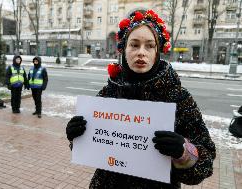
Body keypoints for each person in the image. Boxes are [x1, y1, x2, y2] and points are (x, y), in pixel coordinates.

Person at [66, 9, 216, 188]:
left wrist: (183, 152)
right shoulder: (109, 93)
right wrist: (76, 137)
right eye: (134, 45)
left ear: (158, 51)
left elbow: (206, 161)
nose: (141, 53)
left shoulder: (178, 98)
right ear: (123, 49)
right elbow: (92, 147)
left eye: (150, 46)